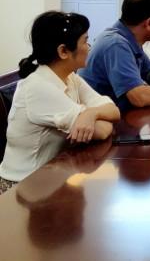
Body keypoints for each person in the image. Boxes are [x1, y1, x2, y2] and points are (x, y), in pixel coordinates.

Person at [0, 12, 120, 192]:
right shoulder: (39, 87)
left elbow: (114, 111)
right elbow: (102, 131)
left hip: (50, 177)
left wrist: (91, 113)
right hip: (22, 188)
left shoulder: (70, 77)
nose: (89, 47)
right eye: (85, 41)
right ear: (63, 51)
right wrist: (95, 115)